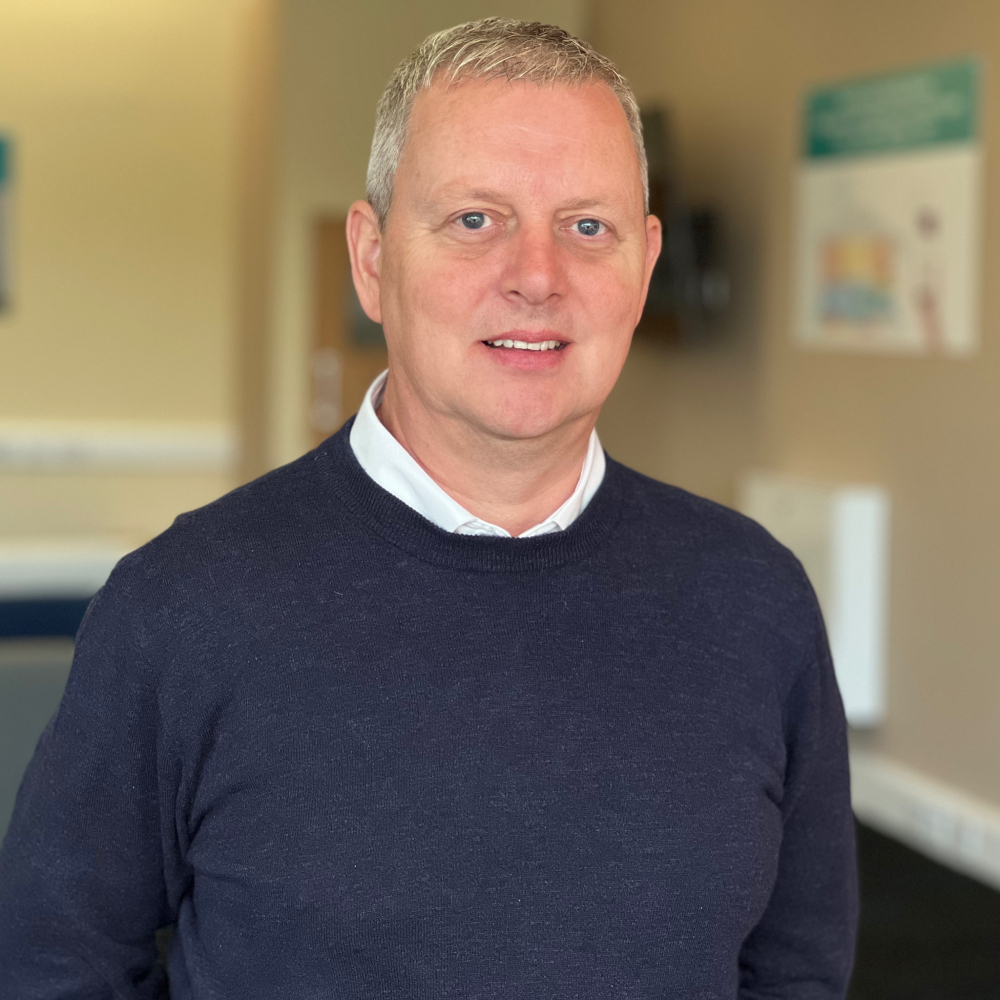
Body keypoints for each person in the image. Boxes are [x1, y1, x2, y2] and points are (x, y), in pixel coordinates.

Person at [0, 18, 857, 998]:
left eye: (587, 226)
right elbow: (52, 962)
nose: (537, 276)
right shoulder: (184, 605)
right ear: (372, 260)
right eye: (474, 220)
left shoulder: (755, 602)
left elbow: (795, 968)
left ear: (645, 264)